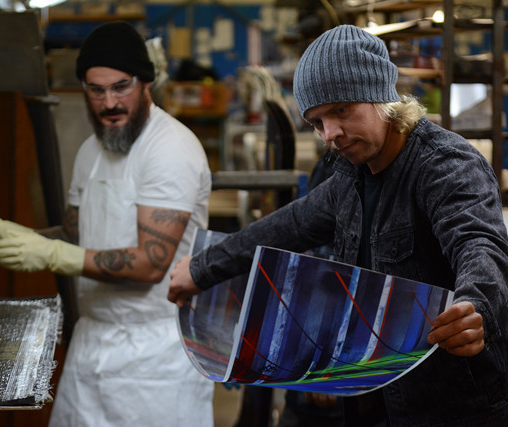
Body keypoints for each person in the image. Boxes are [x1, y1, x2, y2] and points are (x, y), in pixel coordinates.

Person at [168, 24, 508, 426]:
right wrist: (202, 267)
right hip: (373, 398)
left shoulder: (445, 165)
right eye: (316, 122)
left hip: (451, 407)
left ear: (381, 96)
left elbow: (479, 244)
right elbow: (288, 226)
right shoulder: (350, 174)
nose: (330, 134)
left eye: (341, 110)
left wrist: (476, 306)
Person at [0, 22, 214, 426]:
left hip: (156, 356)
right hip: (91, 345)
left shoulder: (170, 149)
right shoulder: (91, 151)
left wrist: (52, 254)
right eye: (96, 90)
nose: (109, 103)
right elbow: (75, 235)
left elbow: (151, 264)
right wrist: (8, 231)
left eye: (121, 87)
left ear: (145, 83)